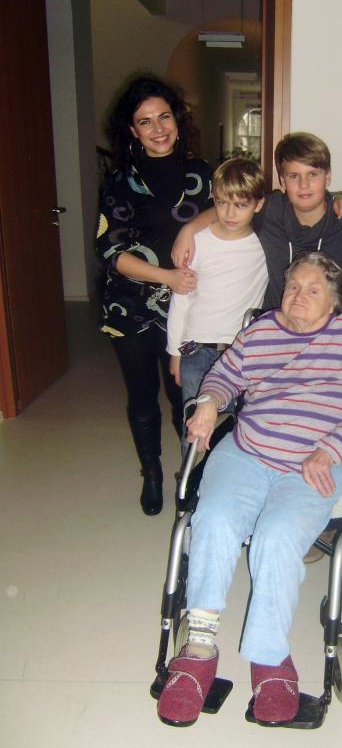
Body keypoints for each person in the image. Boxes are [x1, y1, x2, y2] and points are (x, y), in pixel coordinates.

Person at [156, 253, 342, 727]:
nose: (298, 296)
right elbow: (225, 375)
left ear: (334, 301)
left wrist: (329, 448)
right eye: (293, 286)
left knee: (277, 536)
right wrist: (209, 402)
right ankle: (198, 649)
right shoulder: (261, 329)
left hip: (316, 462)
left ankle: (270, 659)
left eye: (313, 290)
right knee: (214, 519)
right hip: (249, 451)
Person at [95, 75, 213, 517]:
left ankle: (191, 472)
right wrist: (166, 276)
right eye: (146, 121)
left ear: (177, 120)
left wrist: (189, 226)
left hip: (187, 307)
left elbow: (229, 210)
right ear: (133, 130)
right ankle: (152, 472)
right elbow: (111, 251)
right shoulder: (119, 181)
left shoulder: (202, 174)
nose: (158, 128)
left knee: (185, 396)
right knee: (143, 395)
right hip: (130, 305)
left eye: (164, 117)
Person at [171, 132, 342, 334]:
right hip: (274, 332)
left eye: (313, 174)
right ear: (283, 181)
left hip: (330, 335)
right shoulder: (269, 211)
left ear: (328, 177)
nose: (304, 184)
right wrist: (189, 229)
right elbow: (232, 205)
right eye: (294, 176)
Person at [166, 157, 268, 459]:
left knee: (244, 426)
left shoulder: (265, 244)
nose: (230, 213)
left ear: (258, 205)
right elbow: (181, 300)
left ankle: (230, 478)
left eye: (241, 205)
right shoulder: (198, 242)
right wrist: (174, 353)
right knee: (195, 428)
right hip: (196, 350)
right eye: (222, 203)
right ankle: (190, 481)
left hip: (243, 353)